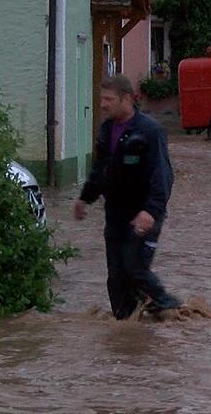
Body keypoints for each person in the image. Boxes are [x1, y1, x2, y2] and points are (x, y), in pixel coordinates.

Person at [74, 74, 180, 319]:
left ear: (126, 99)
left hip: (143, 214)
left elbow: (162, 176)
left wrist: (151, 211)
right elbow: (101, 170)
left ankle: (172, 309)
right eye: (102, 99)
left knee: (135, 269)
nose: (103, 104)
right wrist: (84, 198)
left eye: (108, 99)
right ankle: (126, 327)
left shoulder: (149, 131)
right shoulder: (106, 129)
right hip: (115, 214)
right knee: (116, 277)